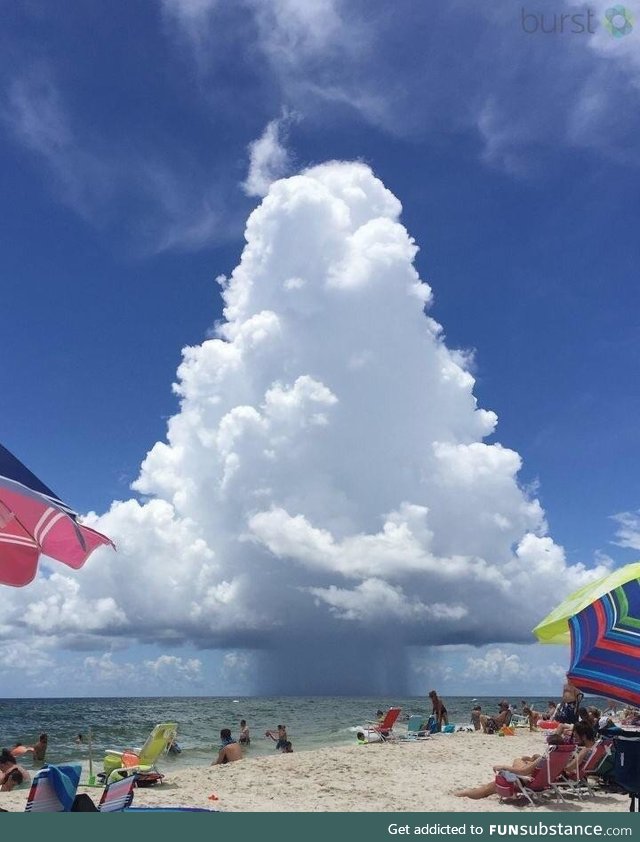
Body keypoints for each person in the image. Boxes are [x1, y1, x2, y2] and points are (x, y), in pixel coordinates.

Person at [454, 735, 568, 800]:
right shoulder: (562, 758)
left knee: (489, 787)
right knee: (519, 760)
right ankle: (465, 792)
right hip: (543, 783)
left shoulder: (545, 758)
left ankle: (463, 794)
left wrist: (503, 767)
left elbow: (523, 771)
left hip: (527, 782)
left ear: (550, 747)